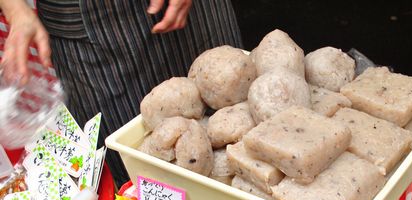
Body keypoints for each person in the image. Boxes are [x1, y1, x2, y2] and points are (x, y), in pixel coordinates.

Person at [0, 0, 242, 186]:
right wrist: (16, 10)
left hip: (192, 15)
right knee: (137, 176)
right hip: (88, 31)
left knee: (238, 129)